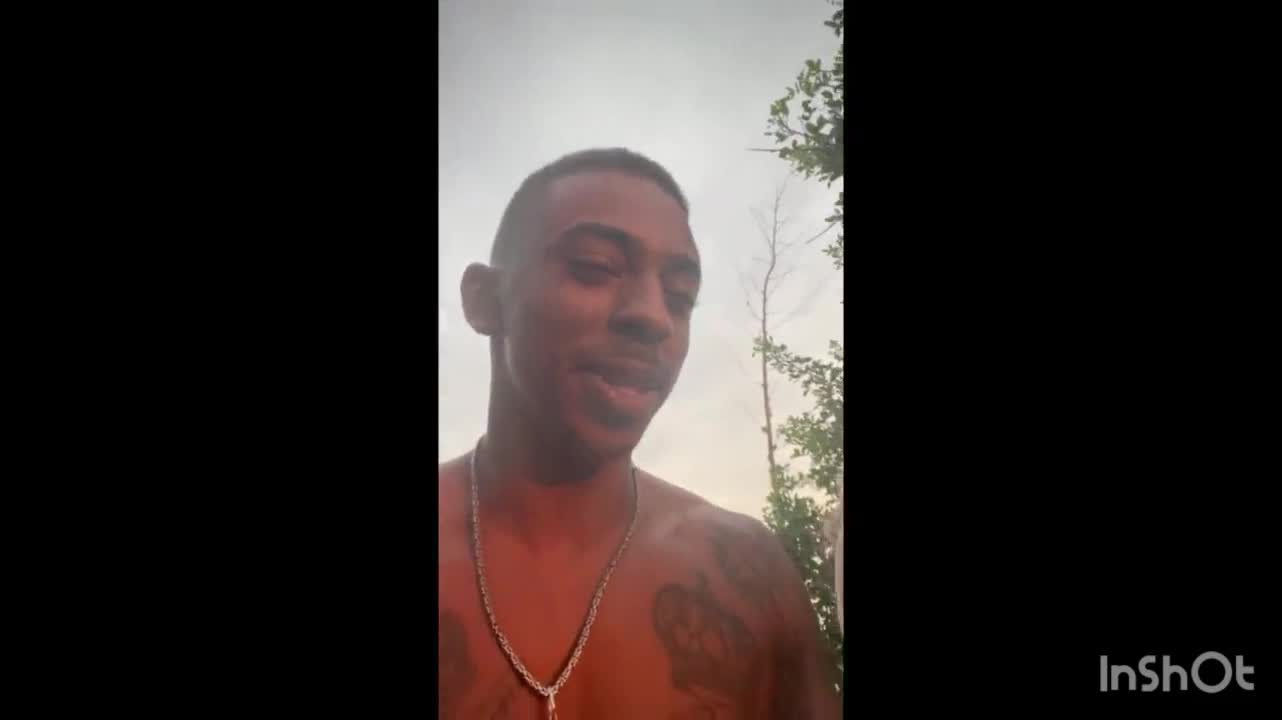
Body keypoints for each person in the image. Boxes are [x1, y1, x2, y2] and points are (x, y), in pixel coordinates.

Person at [438, 148, 842, 719]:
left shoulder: (750, 576)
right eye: (595, 267)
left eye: (680, 298)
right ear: (485, 300)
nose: (654, 317)